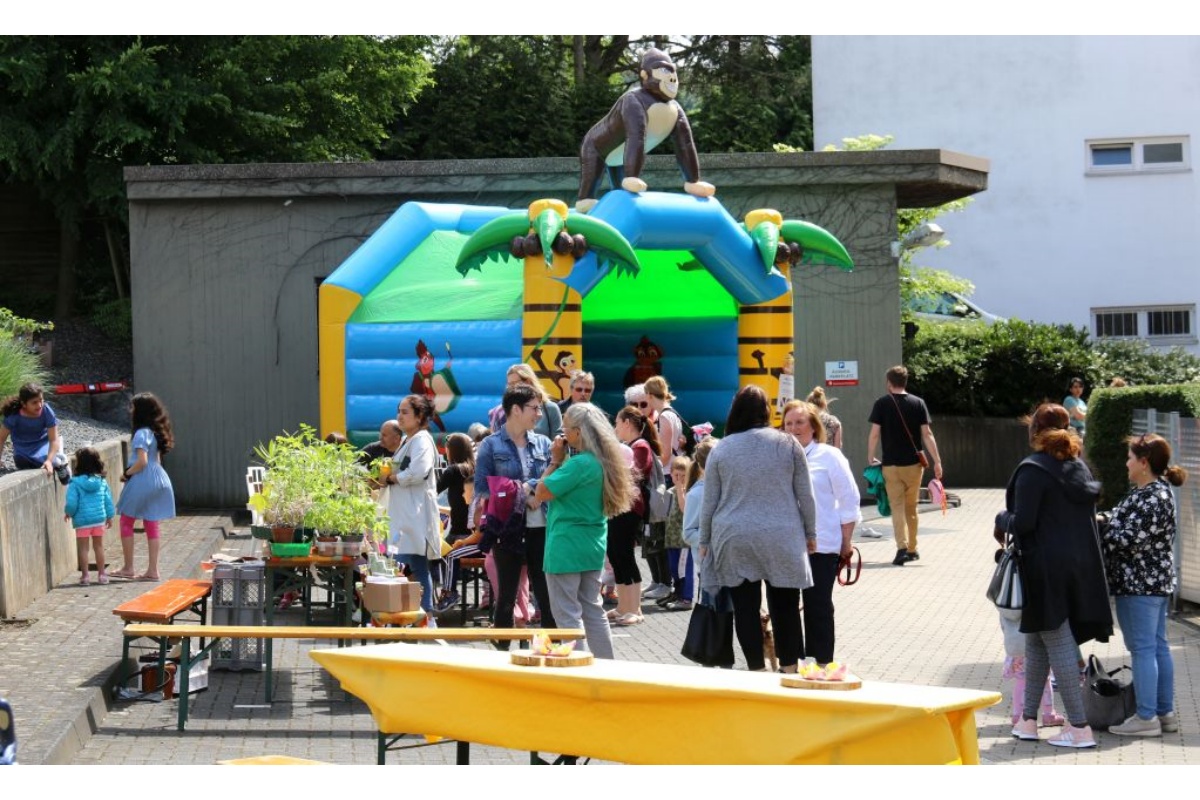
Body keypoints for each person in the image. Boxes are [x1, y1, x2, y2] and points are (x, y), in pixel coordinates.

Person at [996, 403, 1112, 748]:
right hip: (1081, 566)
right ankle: (1028, 720)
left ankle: (1079, 728)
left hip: (1044, 568)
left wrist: (1002, 520)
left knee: (1058, 642)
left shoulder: (1032, 470)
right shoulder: (1079, 468)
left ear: (1034, 432)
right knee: (1037, 641)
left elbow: (1024, 522)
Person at [699, 385, 817, 673]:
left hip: (734, 536)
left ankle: (757, 670)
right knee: (786, 608)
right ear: (767, 411)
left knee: (745, 609)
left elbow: (709, 500)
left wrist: (704, 540)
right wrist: (811, 533)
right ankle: (789, 669)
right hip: (782, 536)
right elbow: (806, 495)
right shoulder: (788, 444)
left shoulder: (721, 449)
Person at [1099, 433, 1187, 737]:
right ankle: (1164, 714)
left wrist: (1101, 526)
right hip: (1154, 584)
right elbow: (1122, 519)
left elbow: (1126, 539)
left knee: (1143, 650)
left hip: (1139, 586)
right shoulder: (1153, 492)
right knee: (1157, 647)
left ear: (1144, 463)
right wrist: (1107, 519)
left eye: (1130, 458)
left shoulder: (1152, 497)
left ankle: (1146, 717)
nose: (1126, 463)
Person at [534, 403, 636, 659]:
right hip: (592, 545)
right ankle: (606, 667)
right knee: (593, 610)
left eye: (565, 428)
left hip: (565, 547)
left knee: (567, 614)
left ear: (578, 432)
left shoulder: (577, 465)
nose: (562, 434)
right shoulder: (602, 462)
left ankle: (577, 671)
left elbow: (541, 492)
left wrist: (555, 461)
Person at [474, 384, 556, 645]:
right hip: (507, 528)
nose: (539, 414)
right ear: (516, 409)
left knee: (546, 595)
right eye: (535, 408)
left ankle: (551, 652)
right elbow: (482, 488)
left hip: (540, 526)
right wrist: (524, 490)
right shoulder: (490, 444)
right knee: (506, 598)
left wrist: (531, 489)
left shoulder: (544, 443)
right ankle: (502, 658)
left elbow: (554, 480)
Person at [781, 400, 860, 664]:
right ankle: (795, 664)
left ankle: (823, 663)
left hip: (823, 545)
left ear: (814, 427)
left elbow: (849, 500)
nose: (794, 428)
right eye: (788, 423)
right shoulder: (780, 458)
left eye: (800, 422)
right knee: (787, 608)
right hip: (786, 546)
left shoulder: (829, 456)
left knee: (817, 607)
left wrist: (846, 542)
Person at [866, 365, 944, 566]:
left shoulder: (882, 404)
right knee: (912, 507)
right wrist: (937, 461)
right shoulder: (918, 403)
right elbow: (927, 434)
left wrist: (870, 456)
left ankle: (901, 548)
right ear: (905, 382)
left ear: (889, 383)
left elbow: (875, 433)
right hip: (913, 465)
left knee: (897, 507)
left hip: (890, 465)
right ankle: (913, 548)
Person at [382, 394, 442, 619]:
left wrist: (393, 478)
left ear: (420, 417)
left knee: (406, 565)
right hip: (406, 515)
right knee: (415, 565)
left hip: (413, 515)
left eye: (405, 412)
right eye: (399, 411)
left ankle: (415, 615)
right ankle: (421, 615)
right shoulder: (410, 440)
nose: (400, 416)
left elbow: (419, 471)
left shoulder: (421, 440)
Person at [111, 393, 175, 581]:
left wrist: (126, 473)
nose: (130, 411)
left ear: (139, 411)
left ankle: (128, 567)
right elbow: (155, 459)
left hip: (143, 478)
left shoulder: (140, 433)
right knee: (151, 522)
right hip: (160, 479)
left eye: (133, 407)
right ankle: (153, 571)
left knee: (126, 521)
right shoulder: (156, 432)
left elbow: (142, 462)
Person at [607, 405, 662, 625]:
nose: (616, 427)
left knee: (625, 555)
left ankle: (635, 608)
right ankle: (623, 606)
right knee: (615, 553)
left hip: (630, 508)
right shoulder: (629, 446)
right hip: (618, 506)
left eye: (618, 422)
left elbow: (634, 475)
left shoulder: (640, 446)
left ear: (627, 423)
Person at [433, 432, 475, 612]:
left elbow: (432, 491)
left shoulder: (453, 470)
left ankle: (447, 591)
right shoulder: (475, 468)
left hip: (461, 532)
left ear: (452, 450)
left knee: (436, 551)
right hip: (473, 531)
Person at [63, 446, 115, 586]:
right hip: (98, 520)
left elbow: (72, 503)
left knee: (83, 548)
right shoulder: (101, 481)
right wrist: (109, 516)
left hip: (82, 521)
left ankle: (85, 577)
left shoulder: (74, 483)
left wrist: (69, 512)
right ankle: (102, 575)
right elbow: (108, 500)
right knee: (98, 547)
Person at [0, 382, 63, 477]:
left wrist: (49, 461)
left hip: (42, 444)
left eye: (41, 400)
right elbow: (1, 439)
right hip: (23, 449)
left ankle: (59, 455)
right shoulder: (14, 415)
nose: (39, 405)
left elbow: (53, 439)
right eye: (34, 402)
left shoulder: (46, 411)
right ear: (24, 404)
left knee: (53, 462)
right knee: (21, 461)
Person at [489, 364, 563, 439]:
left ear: (528, 382)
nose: (512, 388)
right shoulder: (502, 412)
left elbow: (558, 441)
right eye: (509, 385)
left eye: (515, 383)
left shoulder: (550, 408)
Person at [661, 454, 694, 611]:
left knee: (684, 569)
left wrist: (681, 490)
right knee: (674, 568)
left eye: (683, 475)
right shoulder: (671, 491)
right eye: (676, 475)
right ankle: (678, 592)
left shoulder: (687, 491)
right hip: (672, 537)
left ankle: (686, 598)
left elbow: (684, 509)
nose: (679, 478)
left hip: (684, 540)